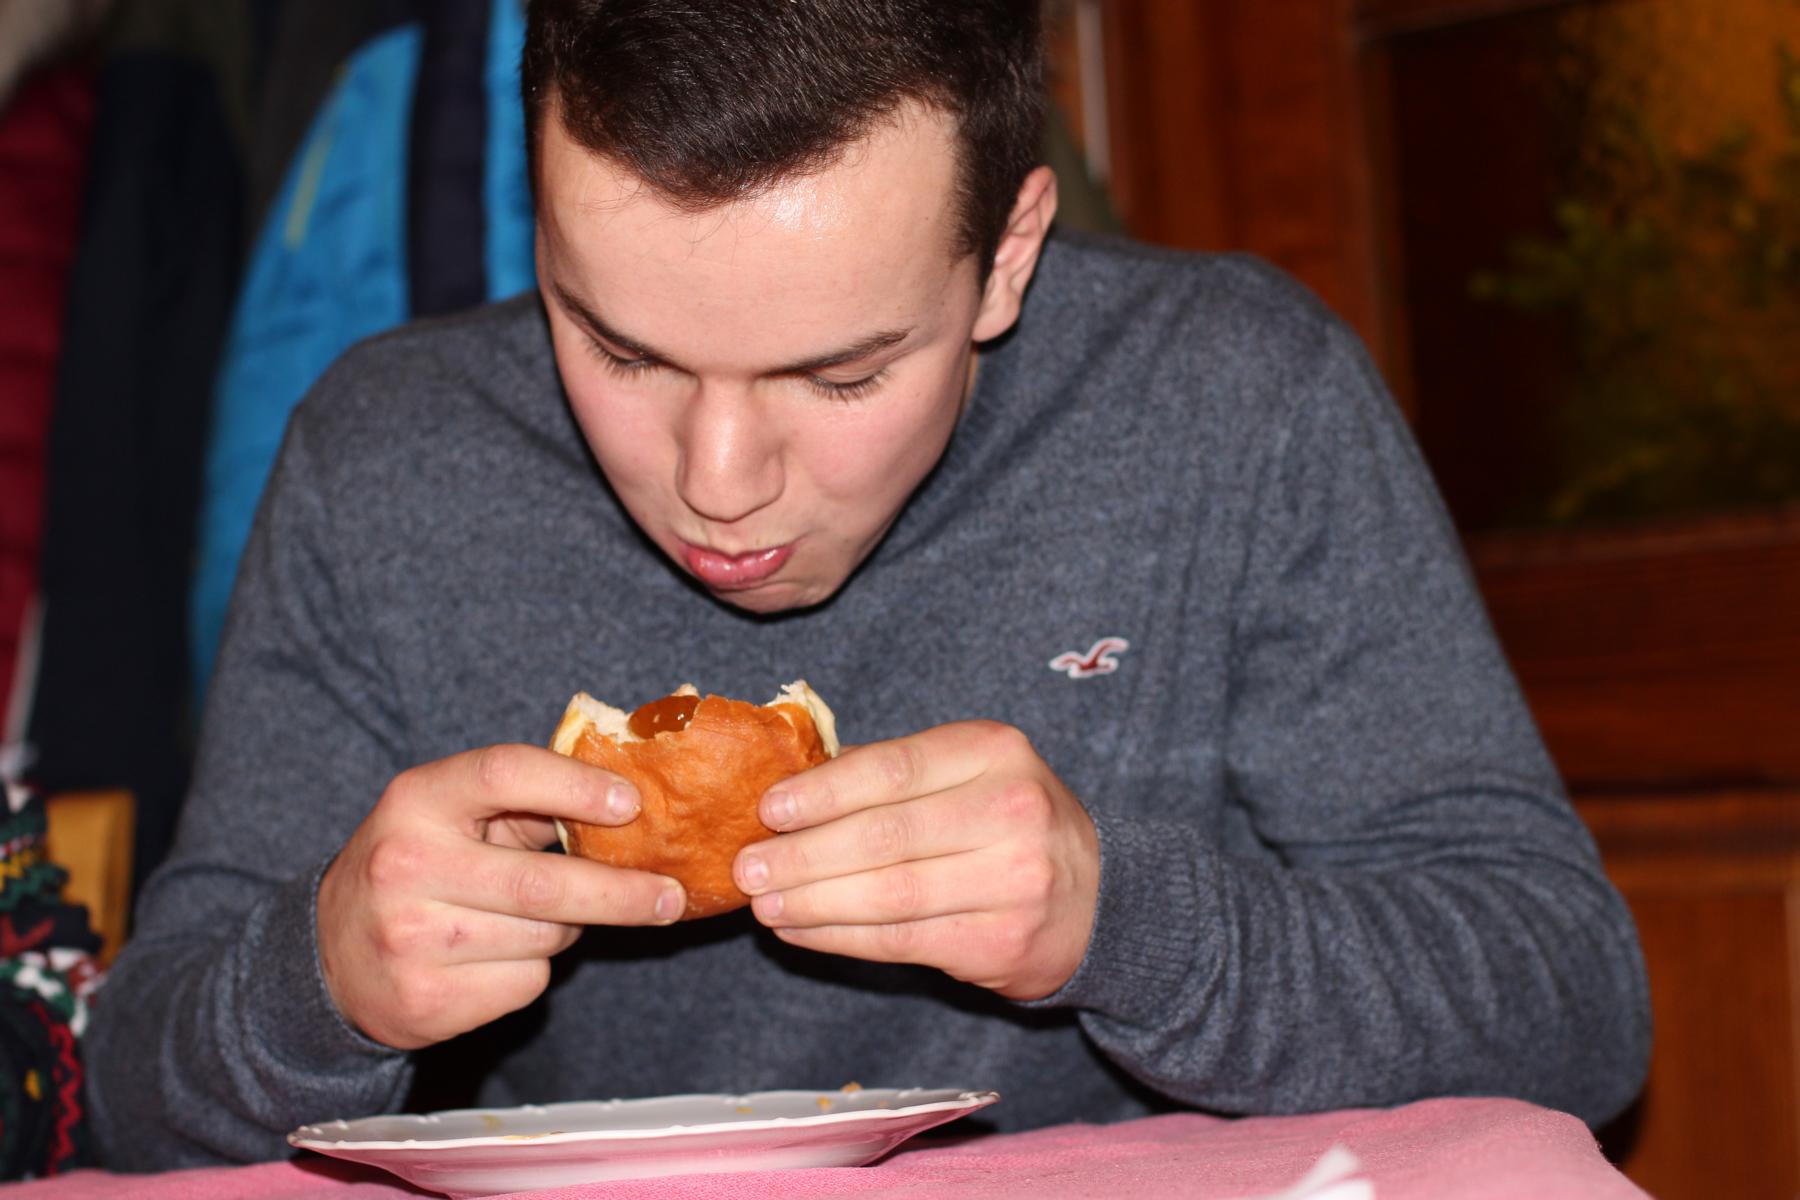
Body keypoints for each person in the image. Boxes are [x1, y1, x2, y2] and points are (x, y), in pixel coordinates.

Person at [84, 0, 1649, 1169]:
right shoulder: (383, 459)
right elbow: (134, 1099)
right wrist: (324, 980)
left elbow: (1575, 1010)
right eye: (618, 346)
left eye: (839, 375)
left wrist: (1124, 923)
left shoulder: (1235, 402)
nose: (717, 478)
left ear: (1010, 252)